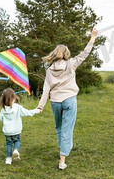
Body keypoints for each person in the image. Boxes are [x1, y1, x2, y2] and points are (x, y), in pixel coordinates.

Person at [37, 27, 98, 170]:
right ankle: (62, 158)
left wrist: (41, 105)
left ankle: (64, 148)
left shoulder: (49, 69)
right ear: (66, 54)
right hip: (69, 99)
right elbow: (85, 53)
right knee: (67, 128)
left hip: (55, 102)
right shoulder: (71, 63)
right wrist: (93, 37)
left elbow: (46, 88)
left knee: (59, 128)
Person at [0, 88, 41, 165]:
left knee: (8, 144)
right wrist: (37, 110)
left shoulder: (3, 109)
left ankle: (8, 159)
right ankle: (15, 150)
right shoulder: (18, 107)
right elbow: (28, 112)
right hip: (16, 130)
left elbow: (0, 119)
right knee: (17, 141)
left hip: (7, 131)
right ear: (13, 98)